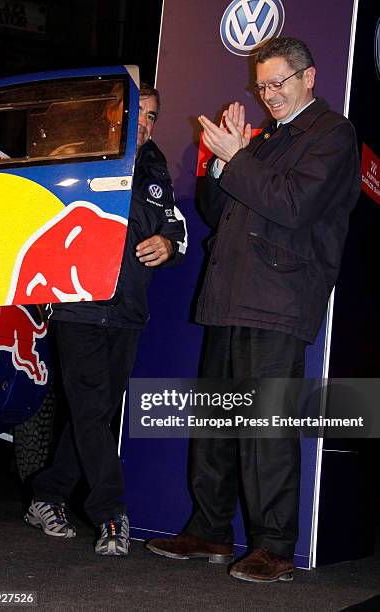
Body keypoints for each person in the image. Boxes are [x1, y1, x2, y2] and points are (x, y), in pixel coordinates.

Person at [146, 38, 361, 582]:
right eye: (262, 86)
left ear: (308, 78)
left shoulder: (333, 135)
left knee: (265, 427)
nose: (268, 96)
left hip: (278, 298)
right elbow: (220, 213)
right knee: (216, 424)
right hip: (229, 295)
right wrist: (223, 163)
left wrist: (237, 157)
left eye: (278, 84)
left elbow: (295, 204)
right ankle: (211, 529)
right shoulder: (265, 140)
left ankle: (274, 545)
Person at [24, 83, 187, 556]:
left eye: (154, 116)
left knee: (93, 415)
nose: (147, 124)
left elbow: (175, 226)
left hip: (129, 310)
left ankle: (48, 494)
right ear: (118, 111)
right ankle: (110, 512)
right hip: (79, 305)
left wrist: (169, 245)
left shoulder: (156, 166)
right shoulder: (83, 154)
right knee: (94, 411)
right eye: (140, 112)